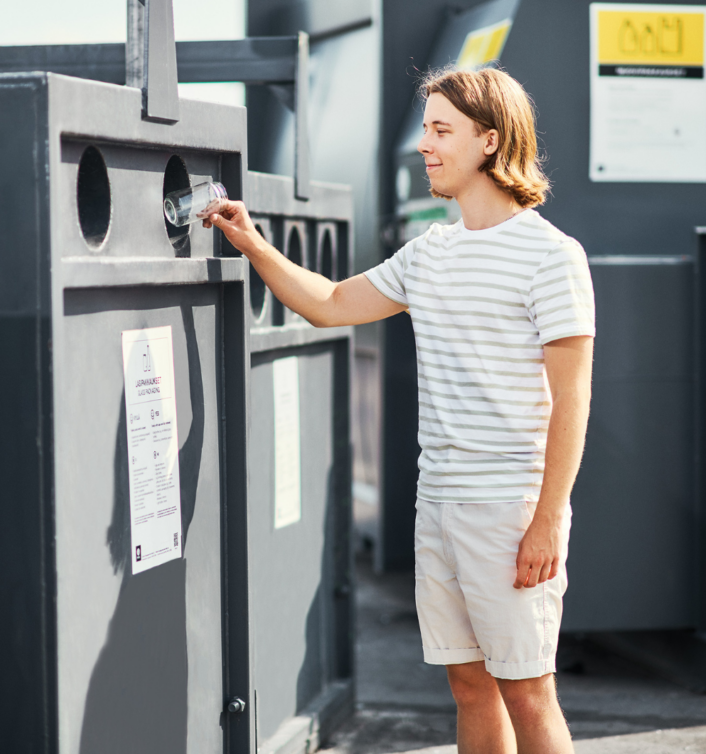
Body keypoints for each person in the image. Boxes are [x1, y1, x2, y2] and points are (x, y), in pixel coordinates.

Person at [206, 66, 594, 754]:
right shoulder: (430, 253)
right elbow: (329, 303)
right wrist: (253, 244)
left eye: (442, 130)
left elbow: (573, 400)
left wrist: (545, 522)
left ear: (490, 141)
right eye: (426, 129)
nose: (425, 145)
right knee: (469, 688)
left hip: (509, 511)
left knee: (529, 694)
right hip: (437, 504)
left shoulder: (552, 257)